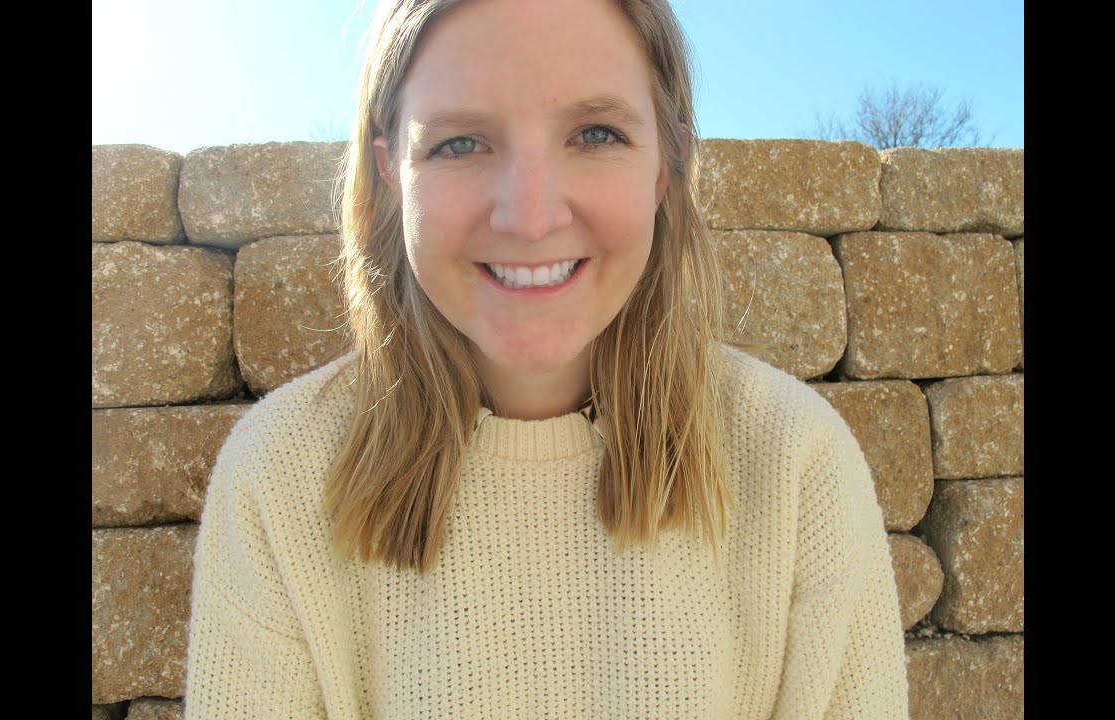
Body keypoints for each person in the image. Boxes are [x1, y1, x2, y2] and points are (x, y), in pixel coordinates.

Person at [183, 0, 910, 717]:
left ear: (668, 164)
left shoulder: (796, 464)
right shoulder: (280, 476)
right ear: (391, 173)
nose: (530, 217)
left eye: (596, 133)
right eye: (460, 144)